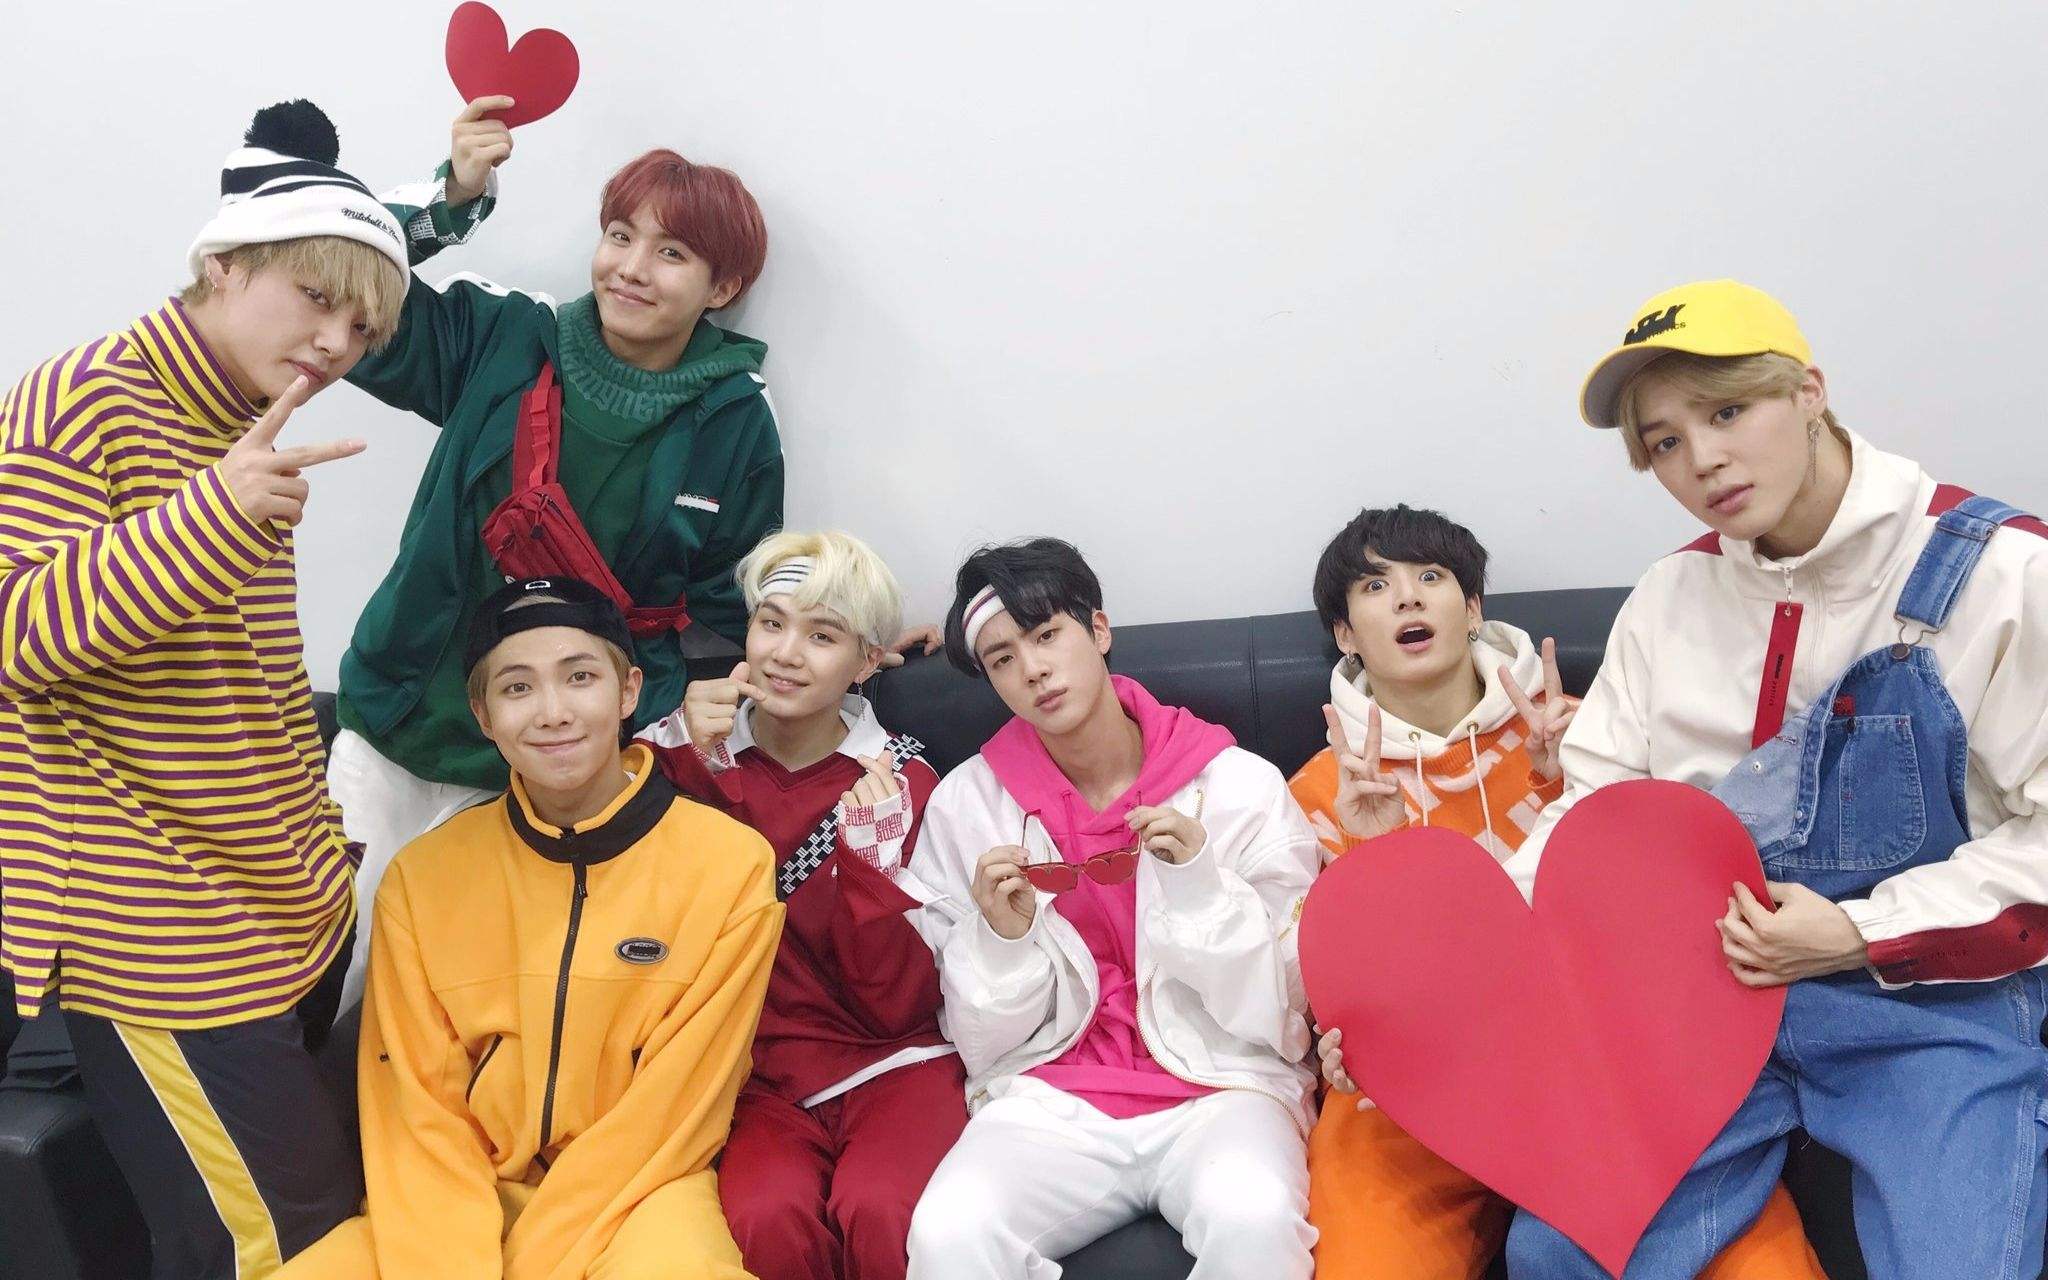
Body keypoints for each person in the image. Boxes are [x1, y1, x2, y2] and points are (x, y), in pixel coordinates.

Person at [1503, 280, 2048, 1278]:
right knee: (1558, 1254)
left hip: (1926, 1006)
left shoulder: (2002, 571)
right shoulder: (1670, 595)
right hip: (1704, 997)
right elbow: (1595, 815)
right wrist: (1462, 956)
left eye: (1725, 412)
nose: (1701, 460)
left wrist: (1859, 930)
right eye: (1664, 441)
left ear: (1808, 391)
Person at [0, 99, 406, 1277]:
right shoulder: (80, 399)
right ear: (222, 264)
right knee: (281, 1241)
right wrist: (212, 513)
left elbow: (241, 686)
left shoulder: (238, 418)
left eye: (361, 324)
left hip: (270, 903)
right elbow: (20, 635)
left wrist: (317, 855)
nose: (335, 341)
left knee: (307, 1218)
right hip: (161, 932)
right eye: (314, 296)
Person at [327, 132, 793, 1010]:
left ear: (722, 288)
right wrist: (450, 196)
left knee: (457, 999)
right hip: (398, 716)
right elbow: (345, 295)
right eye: (619, 235)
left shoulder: (735, 420)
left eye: (671, 253)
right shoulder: (509, 335)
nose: (631, 269)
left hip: (554, 763)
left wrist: (846, 637)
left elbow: (729, 603)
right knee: (325, 965)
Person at [1294, 505, 1823, 1278]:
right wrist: (1341, 1040)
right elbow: (1317, 982)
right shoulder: (1317, 793)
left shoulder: (1589, 735)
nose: (1407, 597)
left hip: (1607, 1071)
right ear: (1345, 633)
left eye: (1431, 576)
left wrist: (1570, 783)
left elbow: (1671, 903)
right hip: (1413, 1102)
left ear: (1473, 609)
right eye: (1375, 586)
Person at [285, 576, 781, 1279]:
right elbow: (416, 1117)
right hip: (454, 1200)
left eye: (580, 677)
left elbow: (668, 1119)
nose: (553, 712)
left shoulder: (729, 869)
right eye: (517, 688)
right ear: (484, 716)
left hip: (641, 1200)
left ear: (629, 691)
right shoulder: (421, 881)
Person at [901, 538, 1321, 1279]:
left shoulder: (1237, 785)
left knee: (1255, 1220)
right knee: (948, 1233)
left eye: (1046, 635)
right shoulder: (967, 807)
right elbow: (977, 1043)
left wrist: (1199, 890)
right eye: (1002, 659)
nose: (1033, 669)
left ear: (1098, 630)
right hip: (1050, 1097)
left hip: (1224, 1087)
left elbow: (1287, 1012)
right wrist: (1000, 943)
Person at [639, 528, 966, 1280]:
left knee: (884, 1210)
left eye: (823, 636)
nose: (786, 654)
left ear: (866, 663)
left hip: (896, 1063)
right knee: (763, 1220)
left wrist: (870, 870)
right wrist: (674, 755)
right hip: (749, 1077)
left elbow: (900, 1008)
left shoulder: (903, 784)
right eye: (772, 623)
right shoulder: (677, 754)